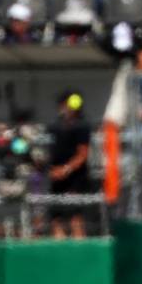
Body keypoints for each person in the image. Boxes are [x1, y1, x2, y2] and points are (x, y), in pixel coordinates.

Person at [46, 91, 91, 239]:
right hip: (57, 176)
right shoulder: (55, 126)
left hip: (75, 177)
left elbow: (83, 154)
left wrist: (66, 169)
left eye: (67, 105)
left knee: (75, 215)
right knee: (55, 215)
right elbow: (48, 151)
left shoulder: (82, 126)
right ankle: (59, 244)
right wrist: (52, 170)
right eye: (63, 105)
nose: (65, 108)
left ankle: (80, 247)